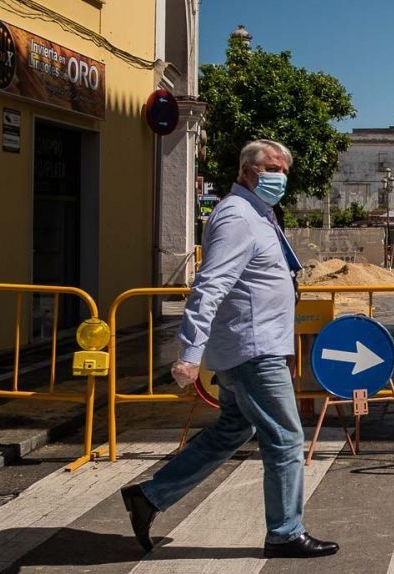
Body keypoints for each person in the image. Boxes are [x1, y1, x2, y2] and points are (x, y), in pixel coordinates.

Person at [119, 140, 339, 559]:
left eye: (286, 169)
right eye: (275, 167)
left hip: (255, 344)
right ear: (249, 170)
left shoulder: (259, 213)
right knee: (286, 438)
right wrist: (189, 352)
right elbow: (210, 284)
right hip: (251, 349)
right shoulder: (237, 216)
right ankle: (285, 532)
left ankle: (149, 496)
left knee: (231, 431)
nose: (282, 176)